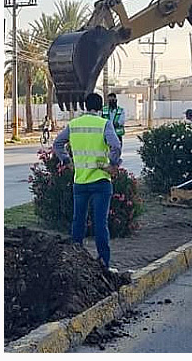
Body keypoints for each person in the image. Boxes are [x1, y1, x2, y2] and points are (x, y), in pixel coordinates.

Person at [53, 93, 122, 270]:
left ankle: (76, 264)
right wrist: (112, 164)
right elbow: (116, 145)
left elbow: (58, 143)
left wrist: (67, 161)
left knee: (78, 222)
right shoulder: (104, 124)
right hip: (100, 182)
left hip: (80, 182)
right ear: (100, 108)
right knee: (100, 224)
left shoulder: (74, 125)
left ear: (85, 106)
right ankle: (104, 264)